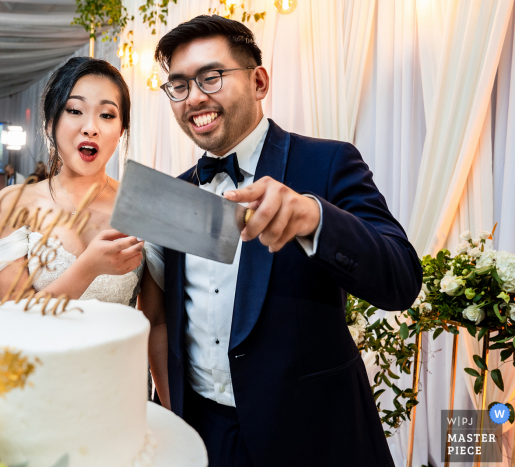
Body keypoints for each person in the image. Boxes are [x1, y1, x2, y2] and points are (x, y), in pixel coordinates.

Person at [144, 15, 422, 467]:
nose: (195, 97)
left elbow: (402, 280)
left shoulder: (327, 162)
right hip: (206, 436)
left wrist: (315, 219)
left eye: (211, 77)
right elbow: (170, 321)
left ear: (259, 81)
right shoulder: (175, 193)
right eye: (178, 86)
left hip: (313, 435)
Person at [0, 57, 168, 405]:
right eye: (75, 111)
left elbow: (156, 323)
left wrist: (173, 415)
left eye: (107, 114)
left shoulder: (143, 207)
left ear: (122, 129)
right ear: (51, 121)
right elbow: (16, 320)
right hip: (41, 389)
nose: (91, 128)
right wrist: (88, 268)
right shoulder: (14, 203)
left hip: (122, 391)